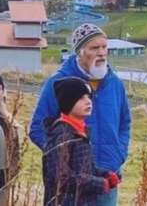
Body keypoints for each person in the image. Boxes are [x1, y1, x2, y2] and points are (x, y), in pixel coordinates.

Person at [29, 23, 131, 206]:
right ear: (80, 51)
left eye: (104, 47)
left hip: (107, 178)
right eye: (94, 47)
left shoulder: (116, 84)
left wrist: (119, 153)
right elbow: (37, 127)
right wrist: (60, 157)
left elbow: (125, 123)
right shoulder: (58, 83)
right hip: (72, 188)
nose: (101, 53)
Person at [43, 77, 120, 206]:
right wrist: (99, 183)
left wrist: (104, 174)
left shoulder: (80, 131)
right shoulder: (62, 135)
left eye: (88, 97)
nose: (88, 102)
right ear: (68, 102)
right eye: (81, 98)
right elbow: (60, 177)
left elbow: (83, 169)